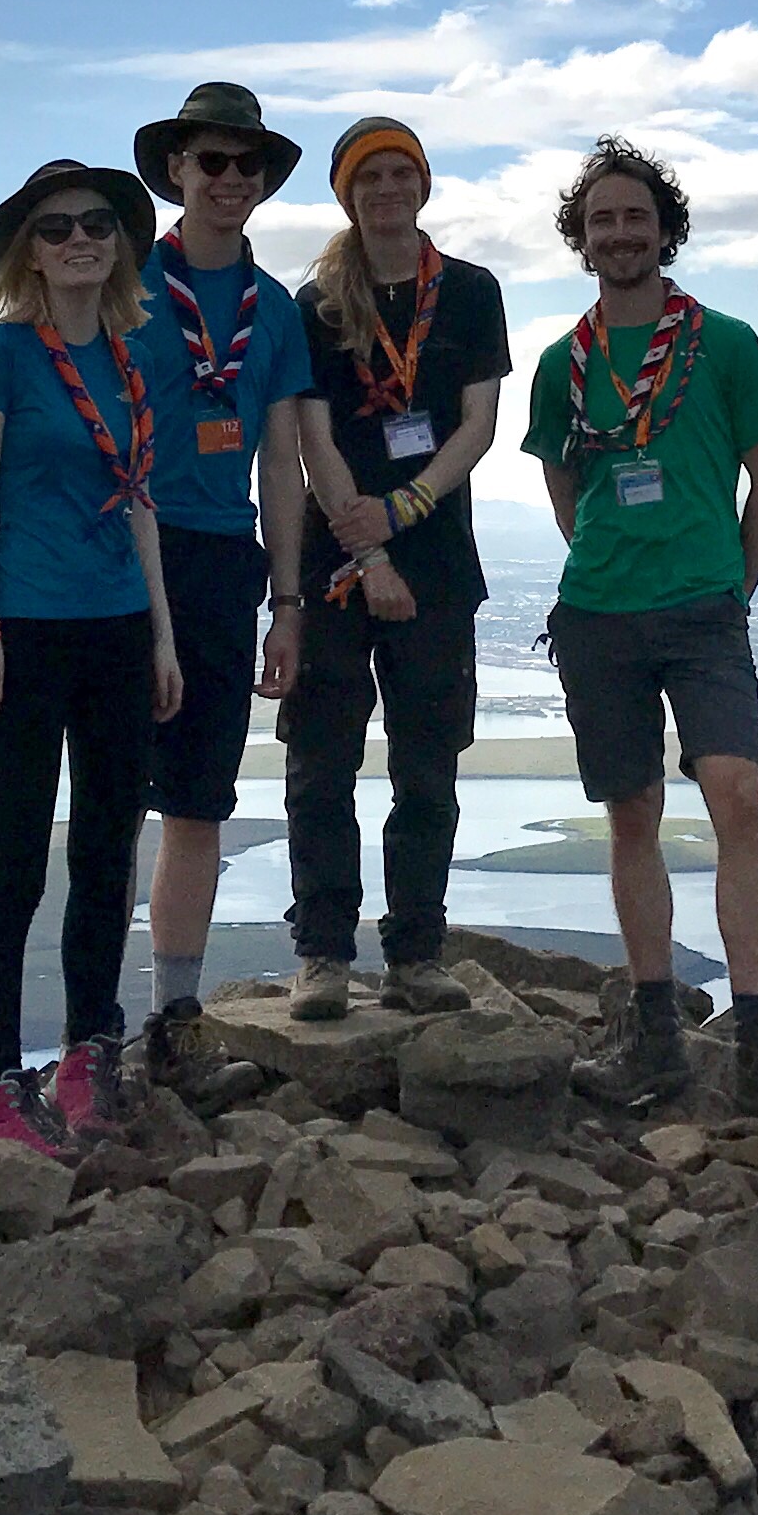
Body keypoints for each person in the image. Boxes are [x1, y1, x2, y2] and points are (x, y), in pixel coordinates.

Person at [517, 133, 758, 1138]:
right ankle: (654, 1032)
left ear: (666, 232)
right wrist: (614, 563)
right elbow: (566, 490)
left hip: (703, 612)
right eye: (601, 219)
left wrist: (731, 587)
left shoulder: (725, 344)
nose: (619, 233)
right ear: (581, 237)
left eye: (636, 217)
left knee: (738, 796)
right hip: (600, 614)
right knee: (632, 813)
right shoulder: (563, 363)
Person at [0, 156, 181, 1158]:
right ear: (28, 255)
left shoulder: (129, 363)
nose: (81, 239)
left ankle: (91, 1055)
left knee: (105, 855)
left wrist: (162, 634)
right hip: (30, 631)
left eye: (97, 224)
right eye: (56, 228)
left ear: (120, 246)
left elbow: (139, 505)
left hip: (118, 629)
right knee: (11, 866)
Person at [279, 115, 507, 1018]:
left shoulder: (471, 293)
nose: (386, 190)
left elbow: (477, 426)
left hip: (438, 561)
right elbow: (313, 440)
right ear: (348, 195)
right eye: (367, 178)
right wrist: (369, 550)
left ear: (422, 186)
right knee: (320, 766)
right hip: (337, 561)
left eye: (399, 174)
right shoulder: (315, 305)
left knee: (428, 767)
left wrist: (406, 510)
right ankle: (323, 956)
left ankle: (416, 953)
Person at [124, 82, 318, 1077]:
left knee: (198, 803)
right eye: (212, 161)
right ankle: (90, 1027)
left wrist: (286, 603)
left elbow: (282, 464)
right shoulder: (125, 286)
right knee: (114, 797)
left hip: (221, 565)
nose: (230, 178)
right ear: (176, 171)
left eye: (248, 164)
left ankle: (174, 1020)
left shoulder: (272, 309)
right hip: (122, 555)